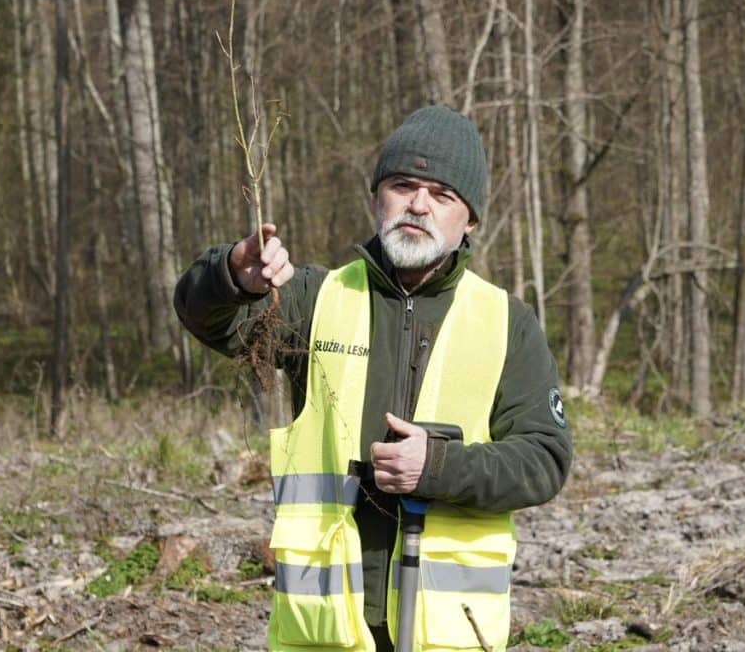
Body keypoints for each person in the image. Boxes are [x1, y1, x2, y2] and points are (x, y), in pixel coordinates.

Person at [174, 105, 573, 651]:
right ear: (374, 199)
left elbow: (544, 460)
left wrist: (436, 466)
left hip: (448, 633)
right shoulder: (315, 299)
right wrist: (229, 279)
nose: (418, 204)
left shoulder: (508, 323)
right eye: (403, 185)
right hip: (326, 629)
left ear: (470, 220)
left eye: (442, 194)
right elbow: (210, 320)